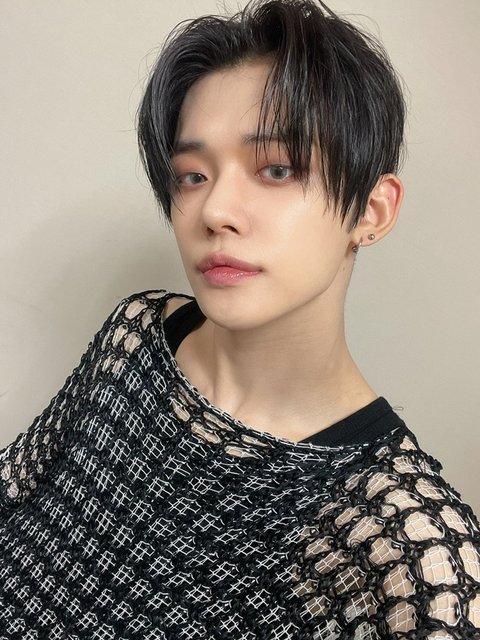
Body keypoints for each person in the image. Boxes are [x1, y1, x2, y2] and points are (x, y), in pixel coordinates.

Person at [1, 0, 479, 638]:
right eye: (191, 176)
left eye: (277, 169)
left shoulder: (407, 548)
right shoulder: (138, 336)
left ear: (372, 210)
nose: (215, 211)